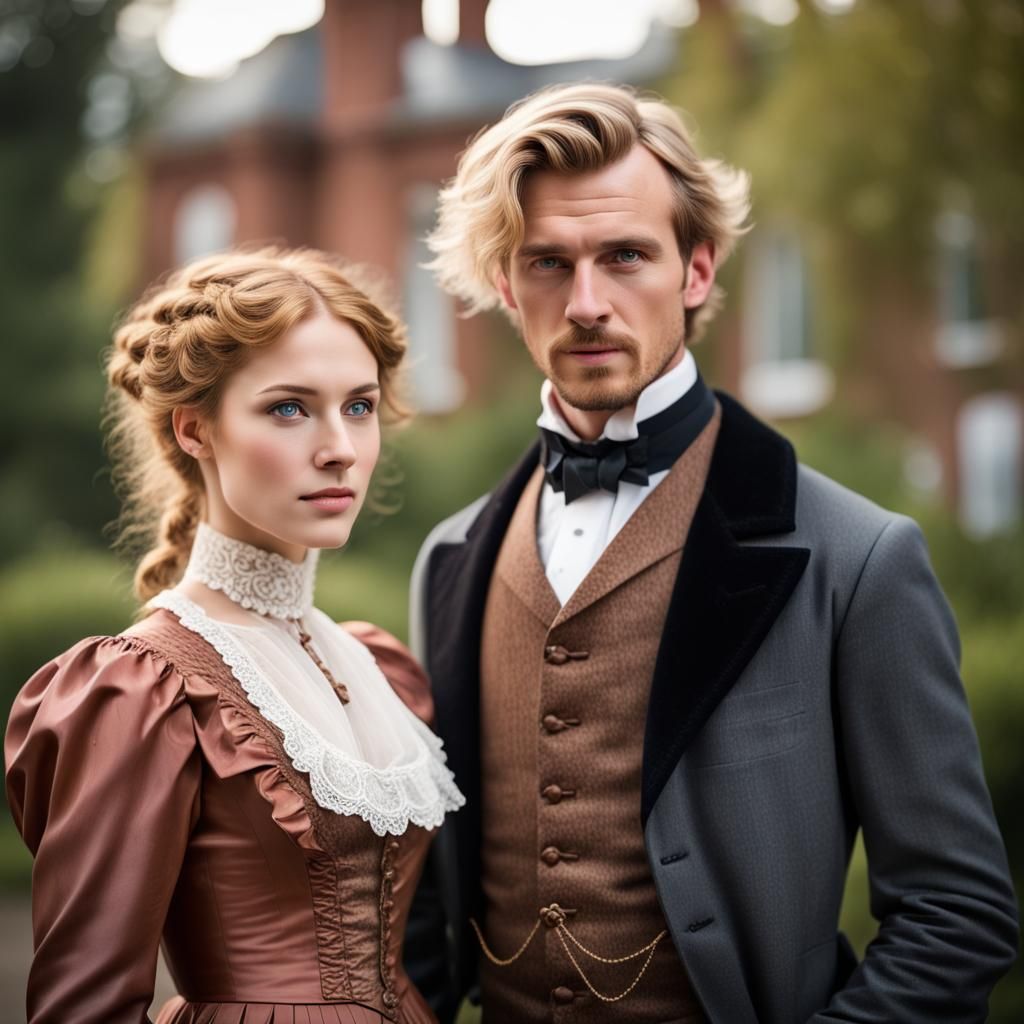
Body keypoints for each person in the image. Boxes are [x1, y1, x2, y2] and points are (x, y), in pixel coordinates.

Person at [406, 83, 1019, 1022]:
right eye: (548, 262)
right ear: (503, 284)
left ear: (696, 271)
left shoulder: (859, 558)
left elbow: (956, 917)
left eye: (625, 256)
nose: (586, 303)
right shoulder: (449, 561)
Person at [5, 247, 464, 1023]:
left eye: (358, 407)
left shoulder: (379, 666)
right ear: (195, 429)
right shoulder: (142, 690)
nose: (340, 448)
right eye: (289, 408)